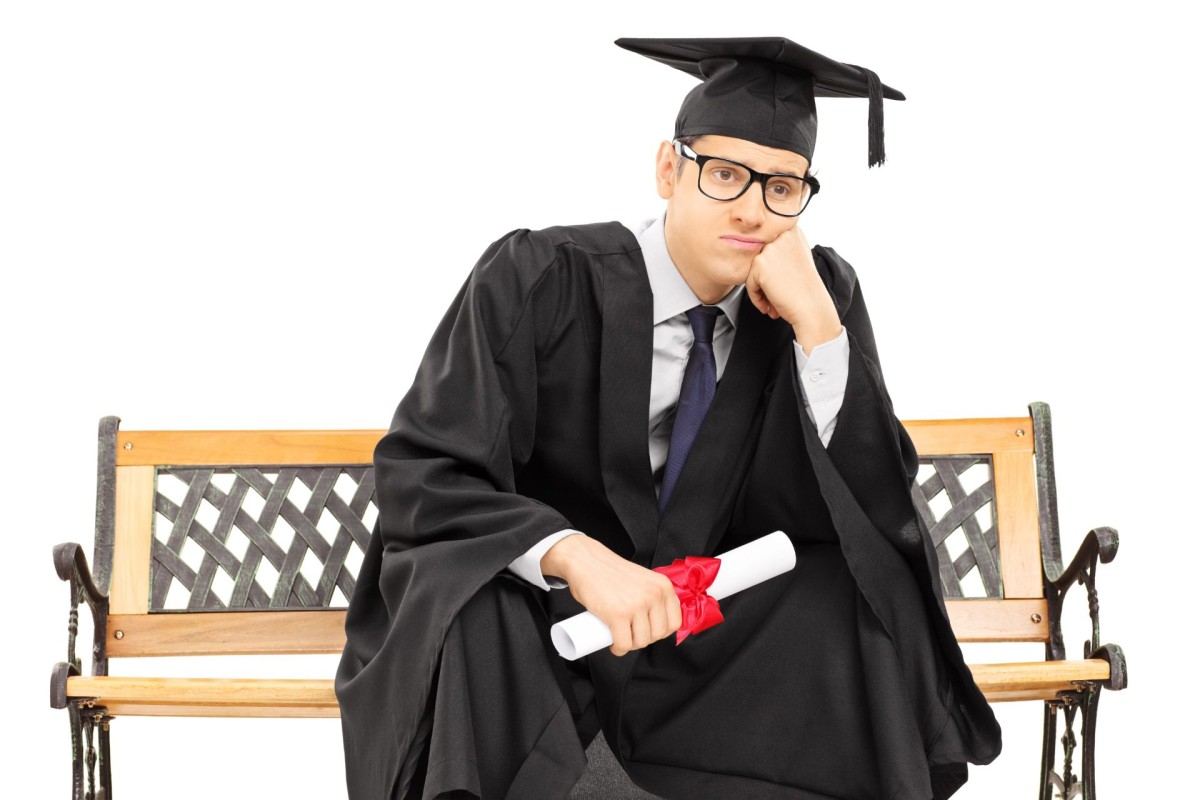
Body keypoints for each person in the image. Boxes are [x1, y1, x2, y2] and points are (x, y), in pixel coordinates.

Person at [336, 36, 1002, 800]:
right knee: (477, 606)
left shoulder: (817, 298)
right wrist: (577, 558)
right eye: (724, 175)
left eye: (783, 188)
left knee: (848, 599)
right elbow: (425, 471)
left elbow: (873, 508)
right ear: (667, 169)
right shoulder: (540, 278)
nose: (753, 209)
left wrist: (819, 326)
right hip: (544, 614)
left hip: (701, 623)